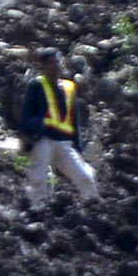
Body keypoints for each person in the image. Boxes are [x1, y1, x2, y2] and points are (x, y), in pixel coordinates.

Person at [15, 48, 97, 210]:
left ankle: (93, 209)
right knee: (39, 180)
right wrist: (29, 132)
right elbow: (26, 114)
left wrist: (78, 147)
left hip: (64, 143)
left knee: (86, 177)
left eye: (57, 62)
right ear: (44, 67)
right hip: (43, 139)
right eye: (50, 63)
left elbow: (75, 121)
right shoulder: (36, 85)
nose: (55, 66)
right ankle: (37, 211)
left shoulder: (69, 87)